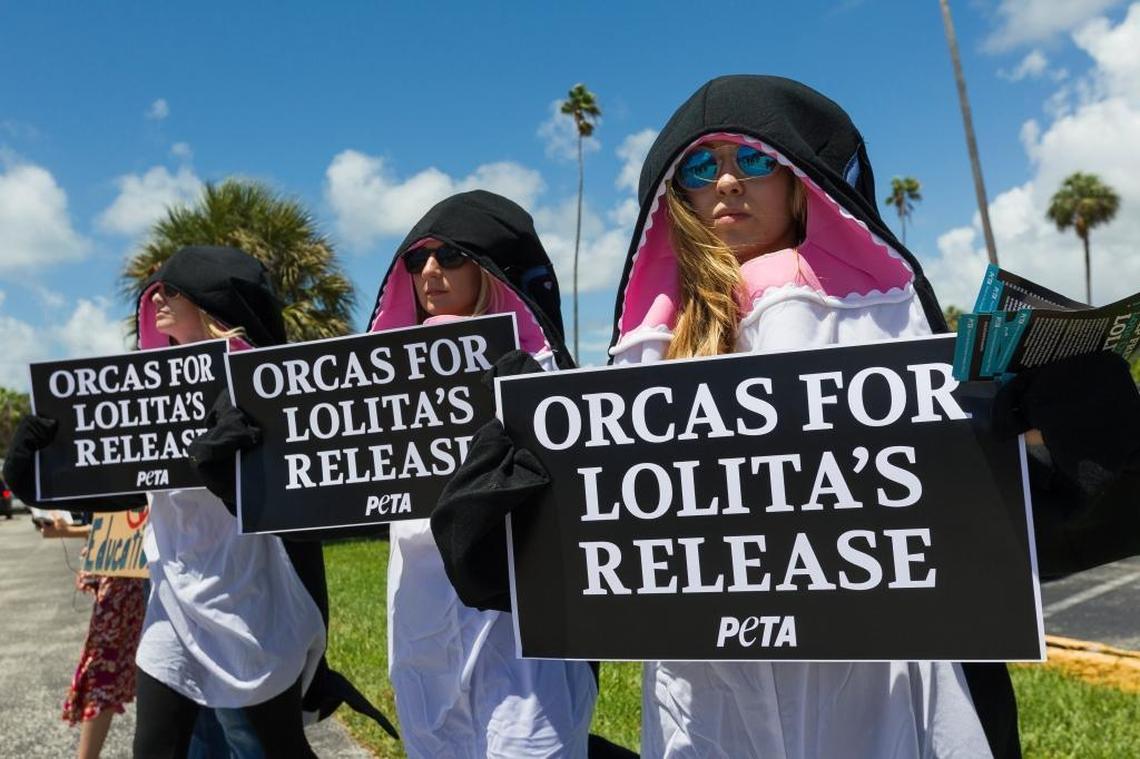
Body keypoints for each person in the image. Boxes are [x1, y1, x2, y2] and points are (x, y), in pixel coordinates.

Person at [434, 76, 1140, 758]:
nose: (727, 180)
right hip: (711, 704)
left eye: (754, 157)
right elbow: (575, 567)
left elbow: (993, 529)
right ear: (673, 199)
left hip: (890, 695)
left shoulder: (889, 329)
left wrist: (1069, 430)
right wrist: (504, 511)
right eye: (700, 167)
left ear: (802, 179)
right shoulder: (641, 361)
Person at [6, 246, 328, 757]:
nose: (158, 295)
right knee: (153, 748)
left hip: (250, 603)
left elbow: (302, 498)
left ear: (211, 300)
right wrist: (39, 477)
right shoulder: (146, 395)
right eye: (156, 288)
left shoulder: (265, 388)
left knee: (270, 747)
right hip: (172, 599)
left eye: (174, 289)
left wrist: (236, 474)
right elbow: (124, 488)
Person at [366, 190, 597, 758]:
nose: (428, 271)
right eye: (415, 260)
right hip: (423, 614)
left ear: (491, 268)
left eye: (449, 255)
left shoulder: (542, 376)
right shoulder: (381, 386)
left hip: (519, 633)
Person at [41, 515, 146, 759]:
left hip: (127, 575)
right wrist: (69, 530)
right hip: (123, 568)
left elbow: (131, 519)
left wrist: (70, 530)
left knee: (103, 670)